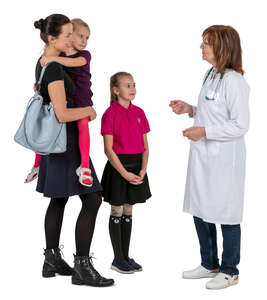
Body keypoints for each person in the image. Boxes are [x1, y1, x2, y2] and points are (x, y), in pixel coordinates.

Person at [33, 14, 114, 287]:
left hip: (55, 143)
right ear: (51, 38)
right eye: (67, 35)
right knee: (92, 200)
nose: (72, 39)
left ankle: (52, 259)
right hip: (65, 142)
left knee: (59, 199)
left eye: (73, 34)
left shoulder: (44, 64)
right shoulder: (54, 67)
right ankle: (82, 267)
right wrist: (89, 110)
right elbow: (62, 112)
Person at [170, 25, 249, 290]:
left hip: (225, 159)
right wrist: (190, 109)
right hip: (203, 155)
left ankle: (229, 270)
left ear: (222, 47)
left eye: (206, 42)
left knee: (226, 213)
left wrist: (204, 130)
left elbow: (240, 125)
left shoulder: (235, 81)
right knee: (200, 209)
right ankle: (209, 263)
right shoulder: (211, 74)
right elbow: (213, 111)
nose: (201, 47)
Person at [25, 18, 93, 187]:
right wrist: (41, 86)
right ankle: (37, 164)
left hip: (81, 100)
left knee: (82, 128)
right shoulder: (57, 57)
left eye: (87, 38)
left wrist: (54, 60)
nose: (84, 41)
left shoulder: (82, 55)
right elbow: (55, 79)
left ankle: (84, 166)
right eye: (78, 36)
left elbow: (74, 63)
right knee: (44, 130)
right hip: (67, 111)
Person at [101, 72, 152, 274]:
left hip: (137, 166)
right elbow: (108, 149)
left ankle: (126, 256)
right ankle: (117, 258)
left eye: (133, 85)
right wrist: (123, 173)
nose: (132, 89)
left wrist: (143, 169)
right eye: (127, 85)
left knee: (129, 209)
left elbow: (145, 145)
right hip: (118, 168)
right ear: (116, 90)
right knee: (117, 210)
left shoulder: (139, 112)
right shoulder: (110, 114)